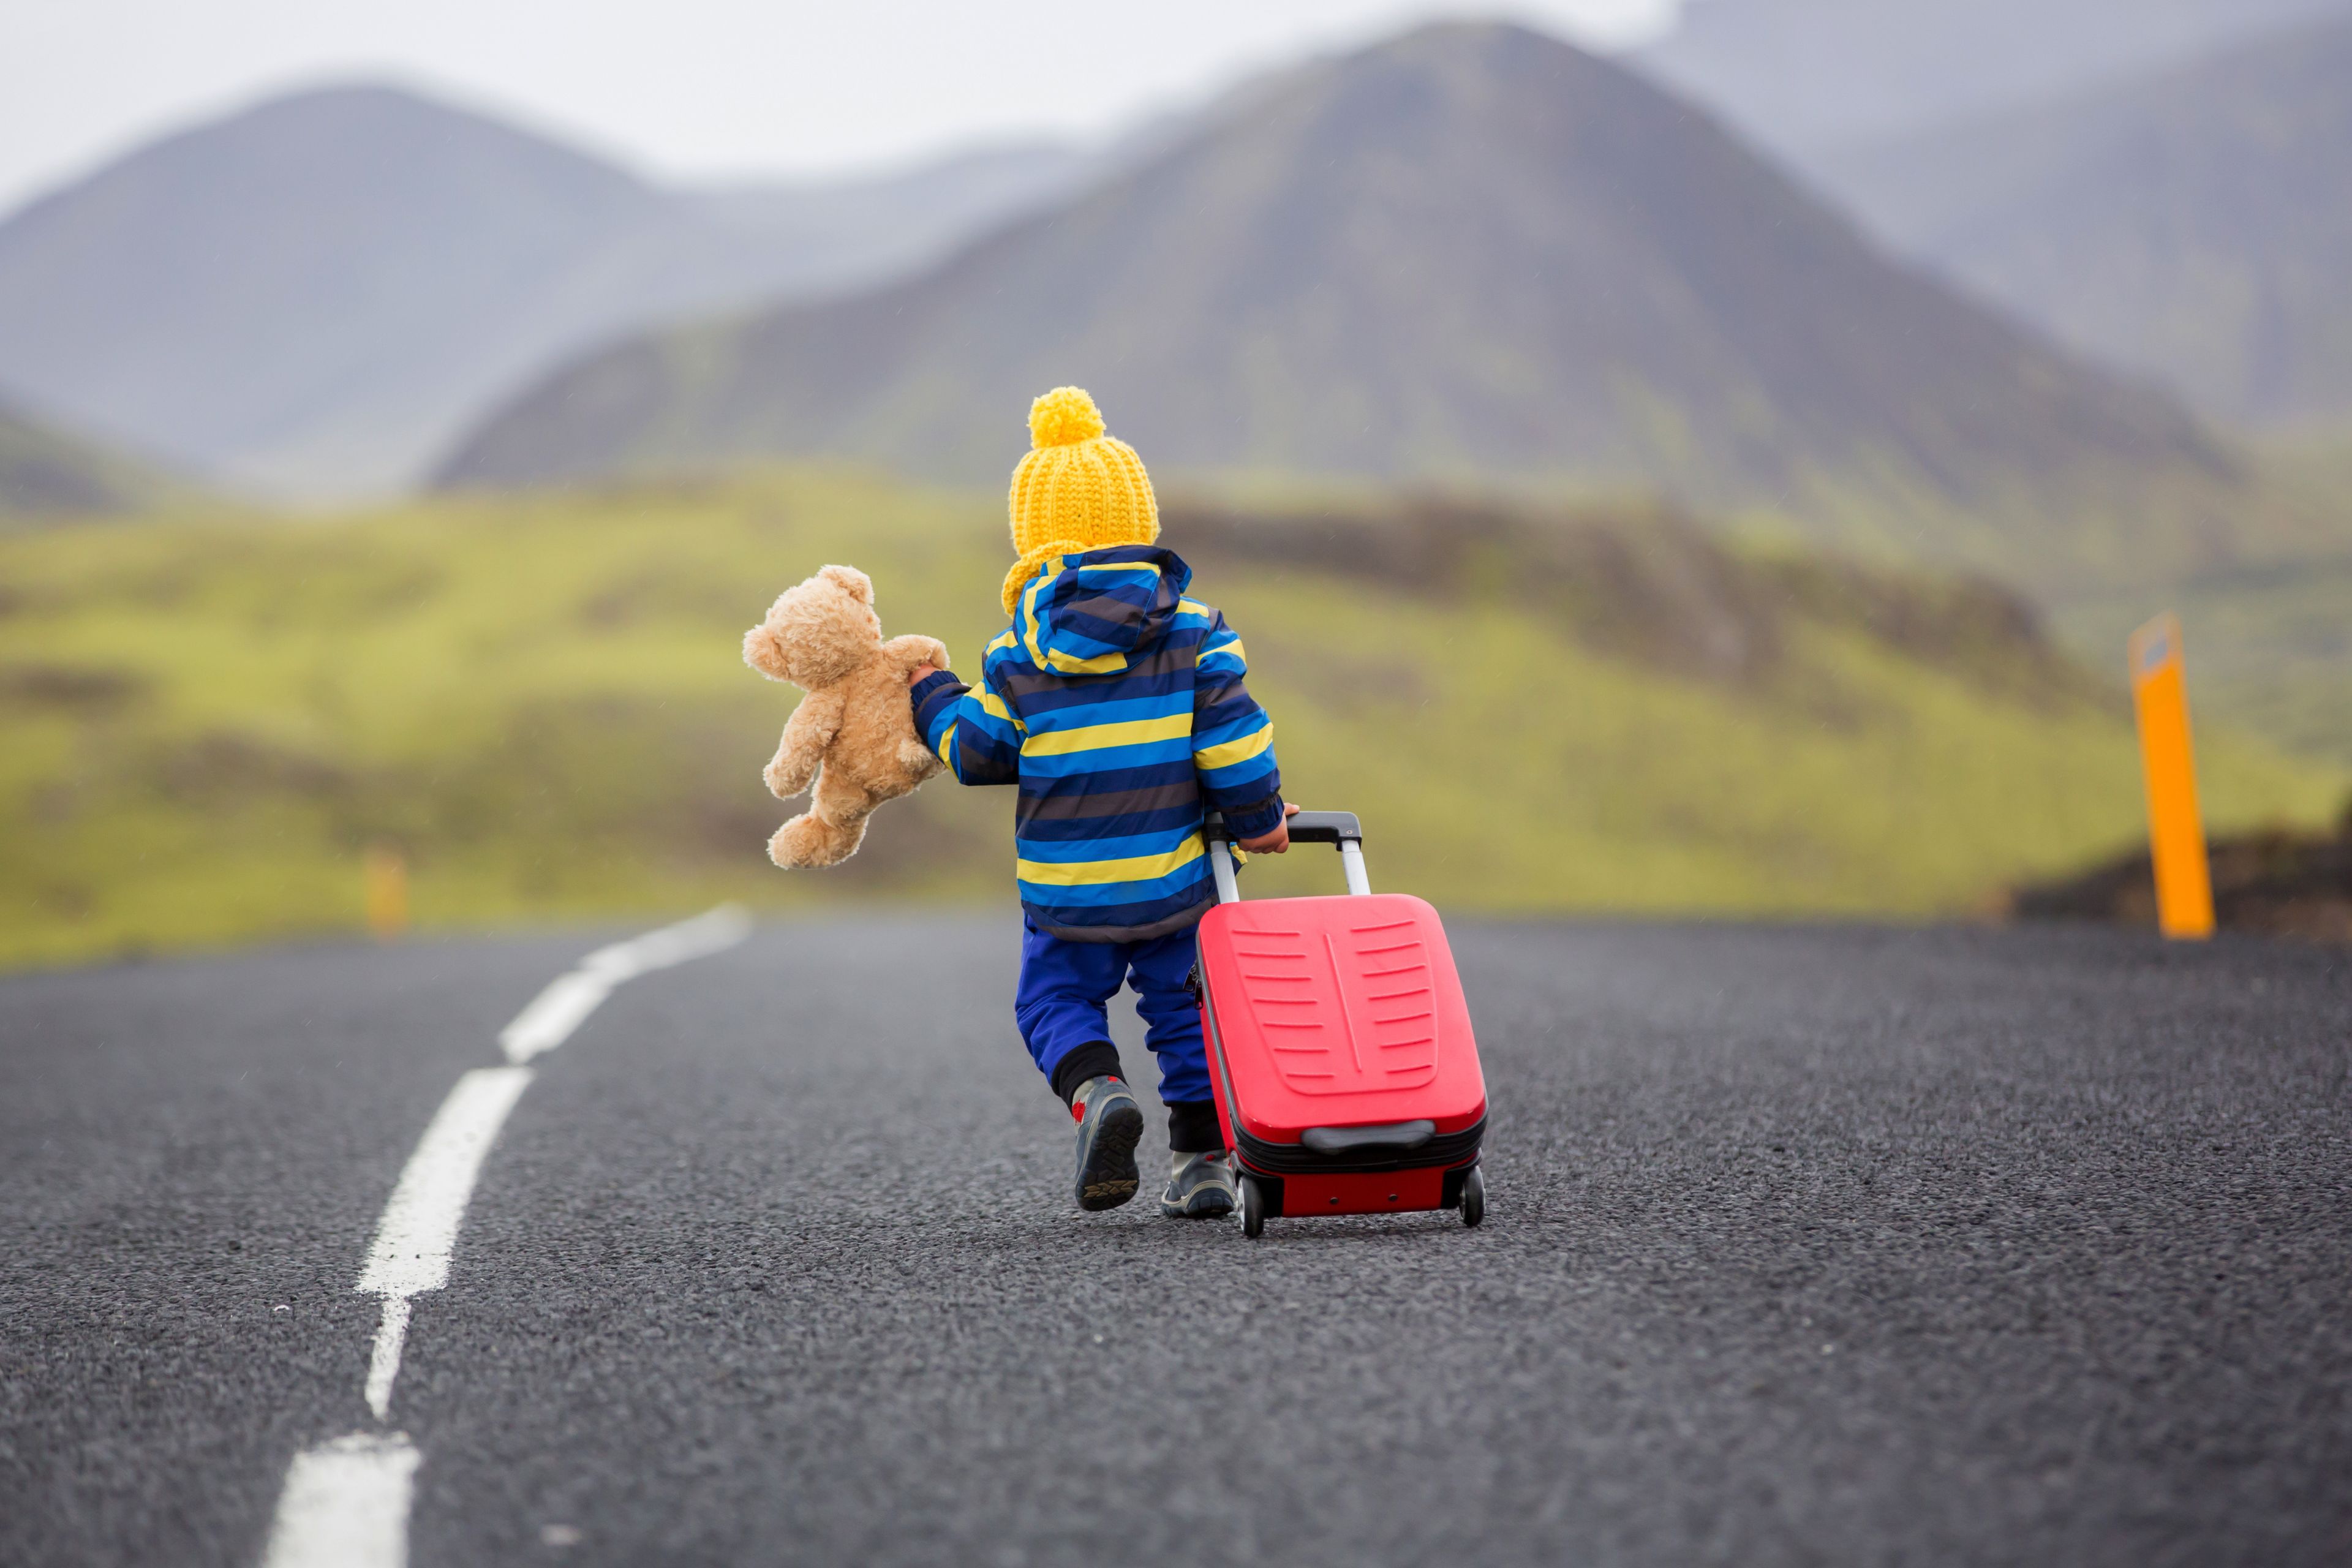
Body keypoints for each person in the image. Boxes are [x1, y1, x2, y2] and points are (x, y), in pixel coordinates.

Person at [907, 386, 1294, 1218]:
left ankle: (1098, 1094)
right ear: (1139, 521)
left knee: (1052, 1001)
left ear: (1034, 537)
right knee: (1188, 1017)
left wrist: (932, 693)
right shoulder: (1197, 630)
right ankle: (1201, 1165)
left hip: (1066, 891)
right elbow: (1232, 743)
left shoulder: (1018, 652)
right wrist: (1262, 822)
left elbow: (978, 752)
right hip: (1174, 884)